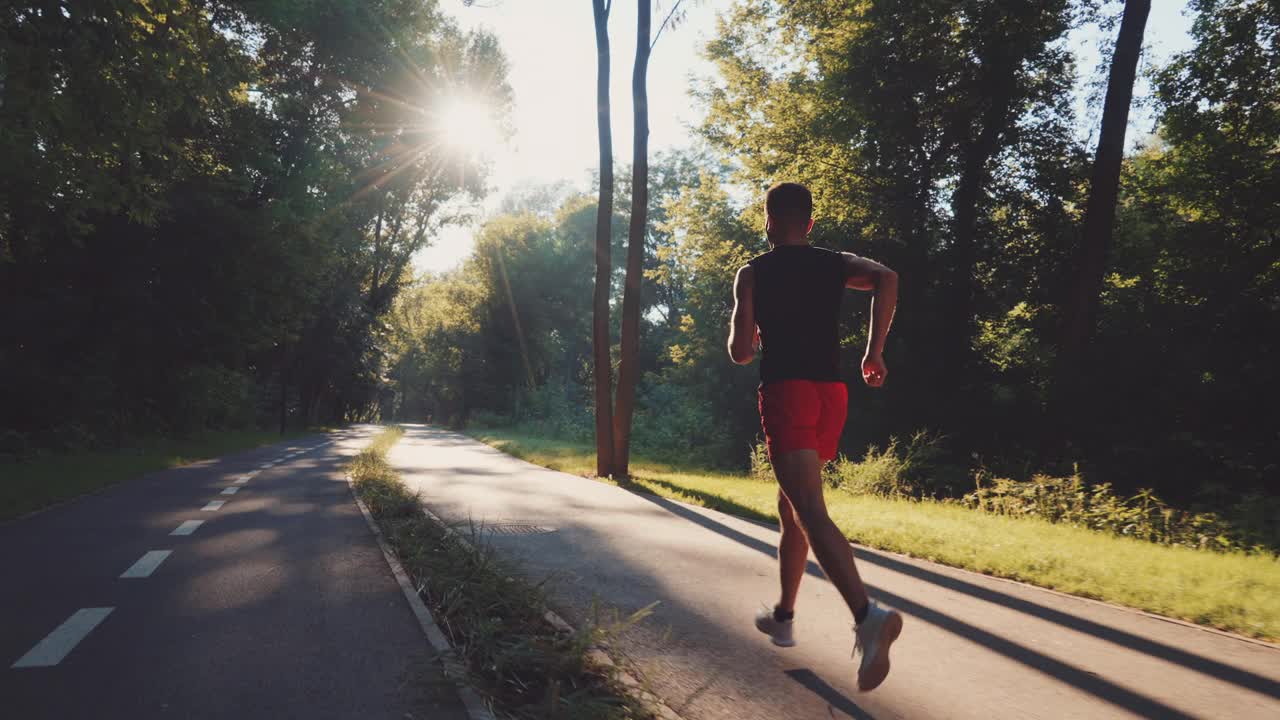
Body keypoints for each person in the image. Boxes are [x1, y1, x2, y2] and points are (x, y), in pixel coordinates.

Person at [728, 182, 902, 692]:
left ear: (768, 222)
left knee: (807, 506)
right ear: (808, 223)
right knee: (792, 506)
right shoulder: (835, 263)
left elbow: (740, 352)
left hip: (788, 392)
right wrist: (875, 352)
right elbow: (887, 278)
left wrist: (744, 320)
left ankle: (867, 616)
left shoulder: (753, 272)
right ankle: (783, 616)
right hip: (832, 395)